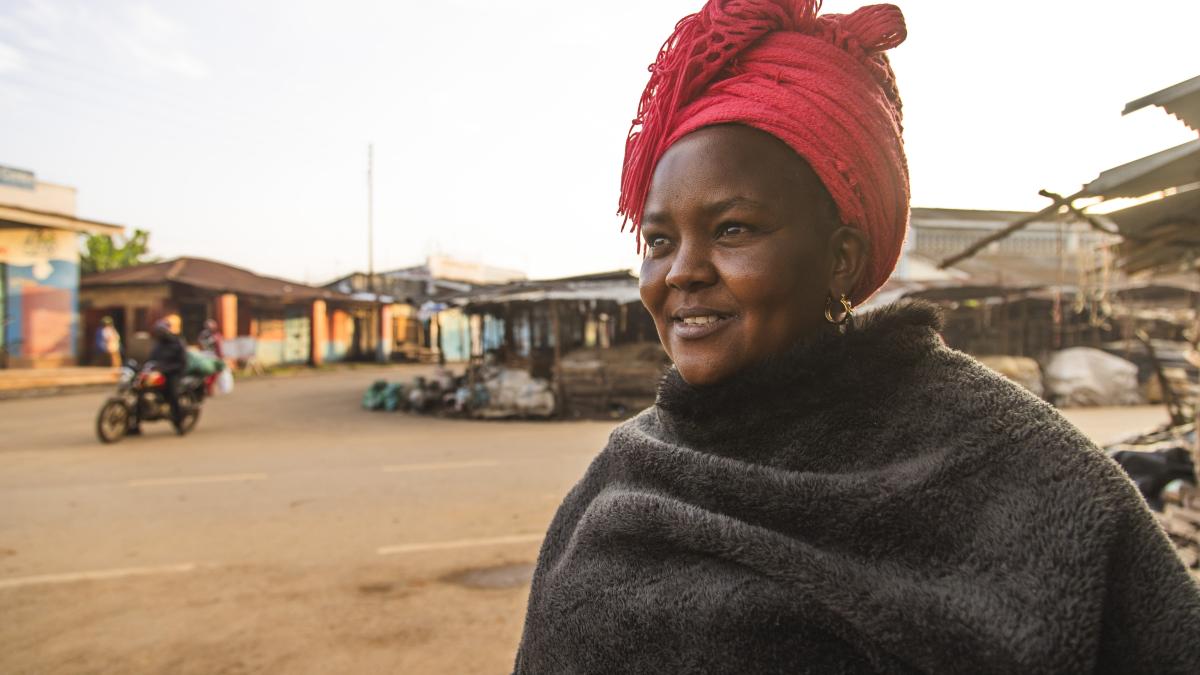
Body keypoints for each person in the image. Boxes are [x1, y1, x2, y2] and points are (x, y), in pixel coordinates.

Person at [514, 2, 1200, 673]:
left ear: (840, 257)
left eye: (732, 230)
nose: (681, 272)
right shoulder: (623, 472)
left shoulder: (1008, 463)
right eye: (659, 240)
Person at [132, 319, 187, 434]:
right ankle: (134, 425)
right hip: (157, 374)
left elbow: (181, 363)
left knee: (173, 395)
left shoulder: (177, 343)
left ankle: (179, 424)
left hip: (173, 373)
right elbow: (151, 360)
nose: (159, 334)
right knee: (139, 393)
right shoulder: (157, 345)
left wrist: (166, 369)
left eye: (161, 331)